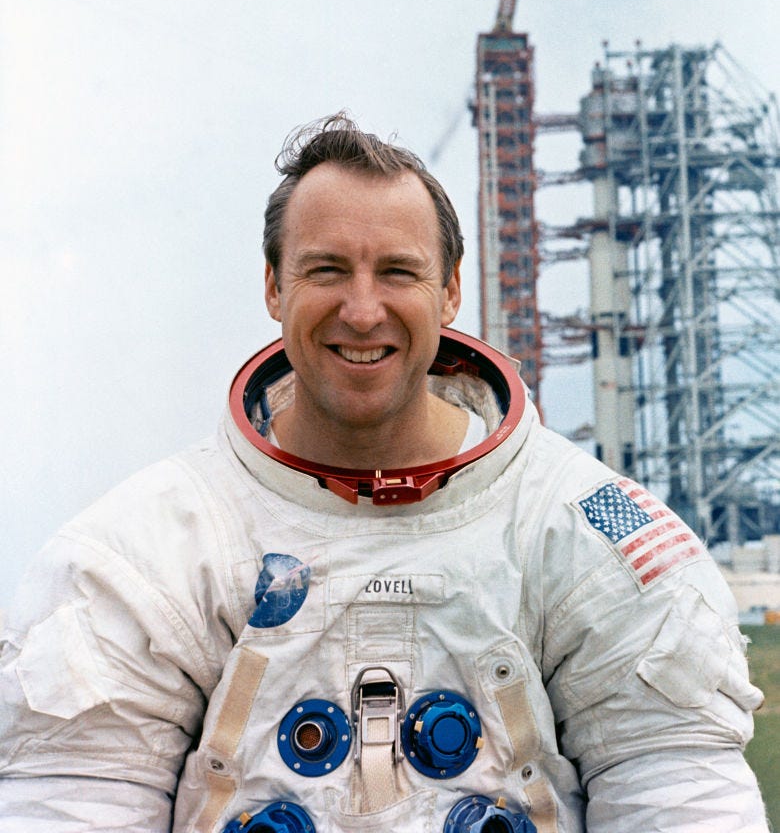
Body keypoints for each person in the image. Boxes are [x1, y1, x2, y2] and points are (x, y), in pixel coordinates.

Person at [0, 113, 768, 833]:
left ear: (451, 289)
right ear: (273, 285)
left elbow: (680, 796)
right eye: (327, 270)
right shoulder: (153, 548)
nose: (362, 311)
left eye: (398, 271)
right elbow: (71, 803)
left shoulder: (578, 528)